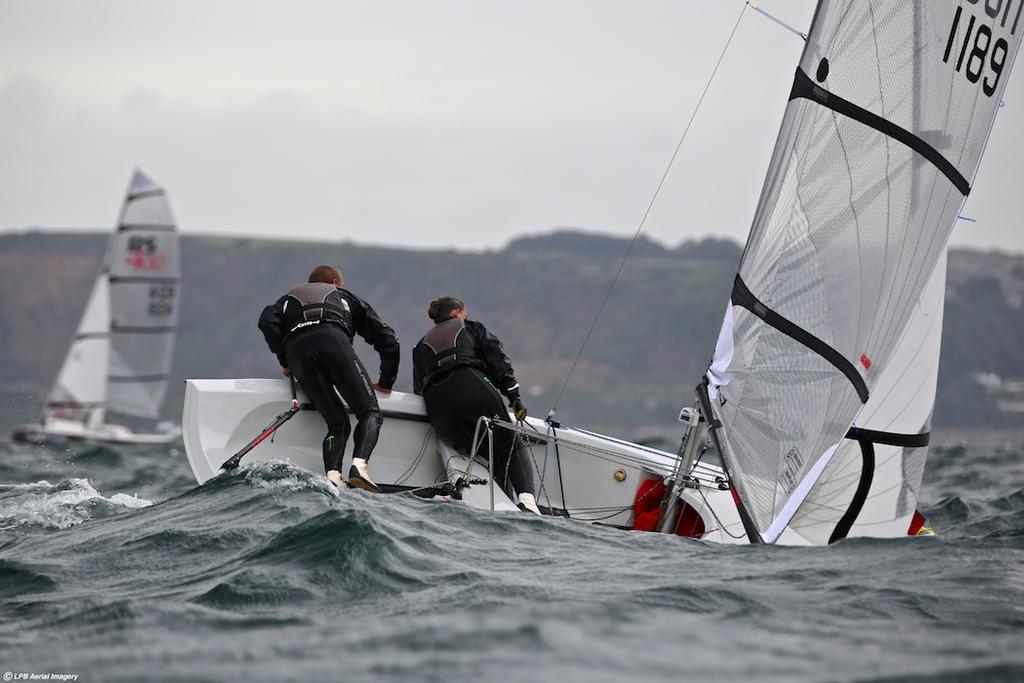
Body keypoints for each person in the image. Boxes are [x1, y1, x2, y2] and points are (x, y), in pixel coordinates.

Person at [258, 265, 400, 492]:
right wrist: (386, 381)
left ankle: (333, 475)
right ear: (334, 283)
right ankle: (359, 467)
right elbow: (387, 338)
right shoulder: (342, 296)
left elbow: (266, 322)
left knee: (337, 422)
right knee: (369, 412)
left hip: (298, 353)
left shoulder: (286, 301)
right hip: (332, 340)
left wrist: (285, 360)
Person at [412, 296, 540, 514]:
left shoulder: (420, 346)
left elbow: (418, 390)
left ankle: (502, 505)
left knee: (488, 450)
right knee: (509, 441)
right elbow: (498, 362)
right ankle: (528, 503)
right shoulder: (471, 328)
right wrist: (515, 397)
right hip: (470, 385)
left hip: (439, 408)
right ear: (457, 313)